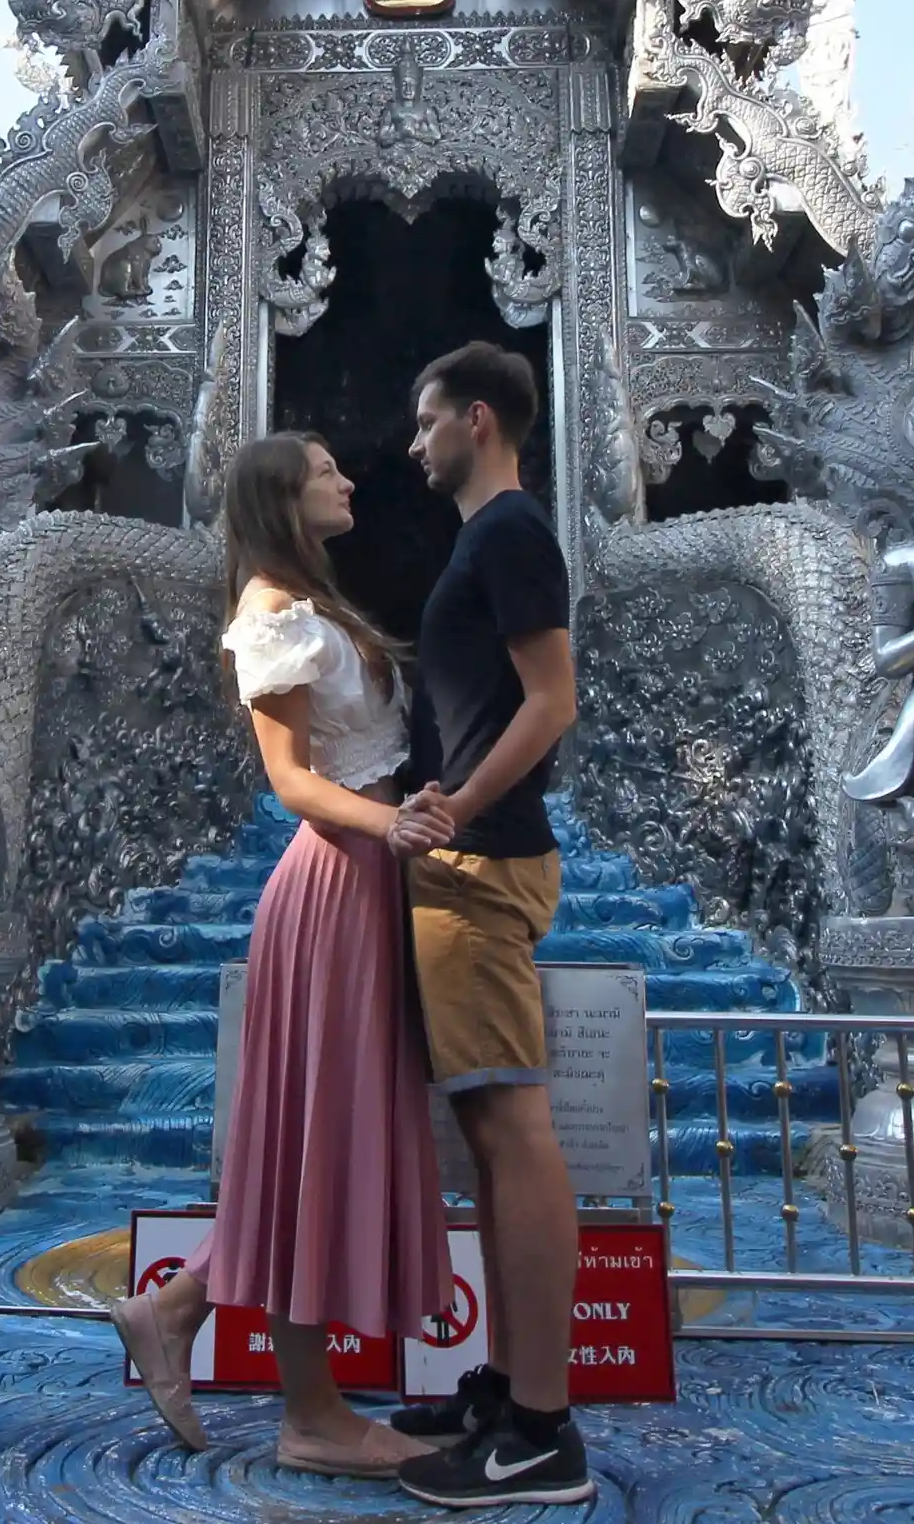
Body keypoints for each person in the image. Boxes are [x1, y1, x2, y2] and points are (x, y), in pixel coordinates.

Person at [112, 433, 459, 1478]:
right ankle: (309, 1416)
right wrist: (387, 825)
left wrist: (409, 812)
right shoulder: (270, 612)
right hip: (333, 882)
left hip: (368, 876)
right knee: (315, 1146)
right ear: (280, 495)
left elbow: (369, 757)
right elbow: (292, 782)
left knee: (319, 1142)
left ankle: (173, 1309)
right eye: (323, 471)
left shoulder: (313, 604)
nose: (345, 480)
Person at [387, 340, 591, 1508]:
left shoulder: (510, 531)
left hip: (477, 866)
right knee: (491, 1134)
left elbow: (553, 695)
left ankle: (541, 1430)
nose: (413, 446)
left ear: (477, 418)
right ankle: (506, 1384)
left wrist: (458, 804)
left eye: (425, 423)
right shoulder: (484, 537)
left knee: (513, 1135)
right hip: (463, 862)